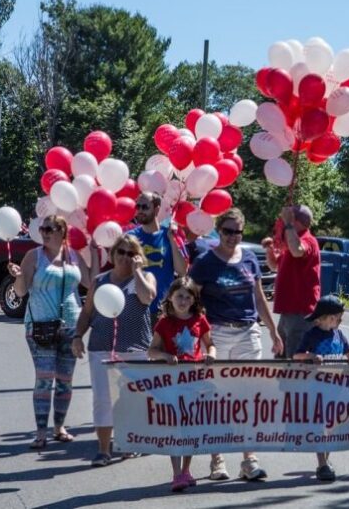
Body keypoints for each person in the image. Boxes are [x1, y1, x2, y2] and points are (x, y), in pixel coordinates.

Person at [188, 207, 282, 482]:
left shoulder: (251, 259)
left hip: (248, 332)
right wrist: (195, 332)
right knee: (216, 398)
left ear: (242, 233)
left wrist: (274, 331)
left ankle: (249, 459)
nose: (231, 236)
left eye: (236, 232)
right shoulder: (206, 261)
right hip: (217, 333)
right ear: (219, 232)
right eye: (227, 231)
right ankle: (217, 459)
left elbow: (259, 297)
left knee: (248, 397)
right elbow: (190, 297)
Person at [71, 233, 156, 467]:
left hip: (136, 349)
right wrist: (78, 336)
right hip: (102, 348)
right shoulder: (99, 281)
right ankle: (103, 449)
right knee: (103, 400)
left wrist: (138, 272)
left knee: (133, 399)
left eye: (132, 253)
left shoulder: (146, 277)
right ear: (112, 254)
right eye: (121, 252)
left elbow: (147, 298)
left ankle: (130, 443)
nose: (126, 258)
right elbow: (87, 313)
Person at [8, 215, 83, 450]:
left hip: (71, 325)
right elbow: (20, 292)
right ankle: (41, 432)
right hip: (40, 326)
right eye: (42, 229)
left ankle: (59, 427)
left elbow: (90, 282)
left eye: (50, 229)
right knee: (44, 379)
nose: (45, 233)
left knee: (65, 381)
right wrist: (19, 277)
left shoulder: (74, 256)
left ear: (63, 231)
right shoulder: (34, 256)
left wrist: (96, 253)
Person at [147, 277, 216, 492]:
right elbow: (152, 351)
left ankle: (186, 469)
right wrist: (165, 356)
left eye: (188, 297)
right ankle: (176, 473)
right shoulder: (164, 322)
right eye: (179, 296)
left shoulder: (199, 319)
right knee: (175, 428)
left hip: (195, 380)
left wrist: (211, 355)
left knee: (191, 428)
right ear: (171, 298)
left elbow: (210, 344)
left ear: (194, 300)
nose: (183, 301)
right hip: (172, 382)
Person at [293, 294, 349, 482]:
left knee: (332, 427)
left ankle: (325, 461)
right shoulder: (312, 334)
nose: (340, 320)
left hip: (336, 388)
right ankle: (322, 463)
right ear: (325, 317)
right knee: (320, 425)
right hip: (316, 388)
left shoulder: (339, 334)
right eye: (337, 316)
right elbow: (296, 356)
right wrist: (311, 356)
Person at [266, 204, 321, 358]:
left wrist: (288, 223)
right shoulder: (290, 242)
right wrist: (269, 250)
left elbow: (297, 251)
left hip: (300, 312)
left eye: (286, 219)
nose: (282, 223)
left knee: (295, 361)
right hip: (288, 311)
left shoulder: (308, 240)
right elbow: (274, 266)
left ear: (296, 221)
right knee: (282, 356)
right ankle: (281, 381)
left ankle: (289, 383)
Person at [128, 191, 189, 319]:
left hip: (163, 311)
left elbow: (182, 270)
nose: (140, 210)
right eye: (137, 207)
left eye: (145, 207)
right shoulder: (129, 237)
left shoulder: (170, 235)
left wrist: (172, 240)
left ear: (157, 210)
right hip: (135, 310)